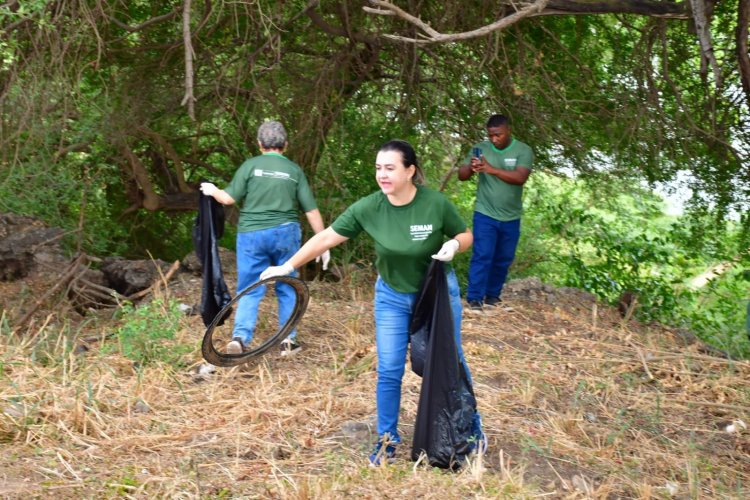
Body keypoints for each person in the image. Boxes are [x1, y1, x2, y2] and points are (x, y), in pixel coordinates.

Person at [260, 139, 485, 465]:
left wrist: (453, 245)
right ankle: (386, 440)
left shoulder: (435, 204)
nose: (382, 174)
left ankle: (469, 431)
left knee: (450, 363)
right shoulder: (369, 207)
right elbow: (326, 237)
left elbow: (466, 235)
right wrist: (287, 266)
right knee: (390, 369)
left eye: (390, 168)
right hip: (392, 297)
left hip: (436, 296)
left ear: (410, 171)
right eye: (379, 168)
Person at [199, 120, 330, 356]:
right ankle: (288, 341)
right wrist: (323, 242)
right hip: (285, 233)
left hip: (252, 234)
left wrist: (211, 189)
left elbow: (227, 199)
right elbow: (311, 210)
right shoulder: (294, 171)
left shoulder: (250, 166)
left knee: (249, 286)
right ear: (286, 145)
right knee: (288, 284)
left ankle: (239, 337)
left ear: (260, 144)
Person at [458, 114, 533, 312]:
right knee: (483, 255)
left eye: (498, 135)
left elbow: (520, 177)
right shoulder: (480, 148)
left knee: (503, 258)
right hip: (485, 213)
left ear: (508, 131)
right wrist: (472, 169)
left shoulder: (523, 150)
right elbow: (462, 175)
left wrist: (492, 169)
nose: (494, 139)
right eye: (490, 135)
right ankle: (474, 299)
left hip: (511, 216)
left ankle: (492, 297)